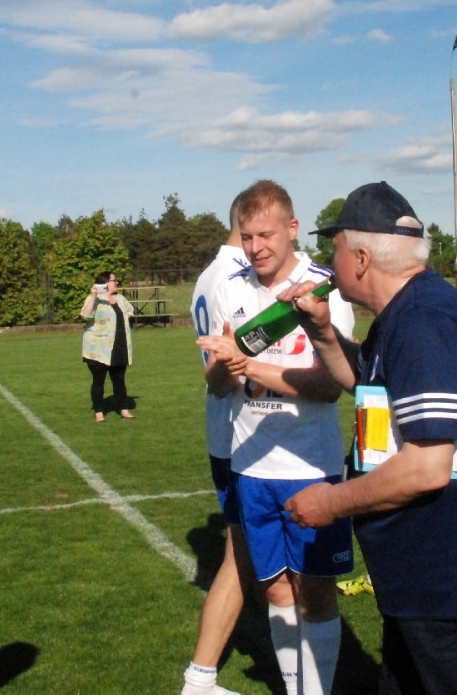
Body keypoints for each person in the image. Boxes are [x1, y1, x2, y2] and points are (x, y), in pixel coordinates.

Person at [282, 181, 457, 695]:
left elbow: (426, 468)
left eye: (335, 249)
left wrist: (330, 503)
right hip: (424, 578)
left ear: (361, 258)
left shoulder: (425, 321)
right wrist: (322, 331)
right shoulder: (402, 316)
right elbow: (366, 385)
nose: (329, 263)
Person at [197, 180, 355, 695]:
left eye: (265, 235)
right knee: (275, 590)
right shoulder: (232, 288)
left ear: (292, 229)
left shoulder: (323, 289)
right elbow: (219, 386)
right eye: (246, 237)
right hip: (250, 466)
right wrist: (222, 366)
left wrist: (250, 366)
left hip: (309, 467)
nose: (255, 247)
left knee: (315, 593)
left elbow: (329, 387)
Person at [183, 191, 254, 695]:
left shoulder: (208, 275)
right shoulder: (236, 278)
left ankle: (201, 677)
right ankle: (200, 677)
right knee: (247, 558)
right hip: (242, 434)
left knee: (247, 556)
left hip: (223, 434)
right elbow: (224, 371)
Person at [80, 271, 134, 422]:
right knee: (99, 381)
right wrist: (93, 296)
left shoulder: (120, 299)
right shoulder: (94, 299)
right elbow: (85, 315)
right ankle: (99, 412)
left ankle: (124, 409)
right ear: (105, 283)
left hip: (119, 346)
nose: (116, 283)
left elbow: (130, 312)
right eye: (114, 280)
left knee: (119, 380)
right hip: (97, 349)